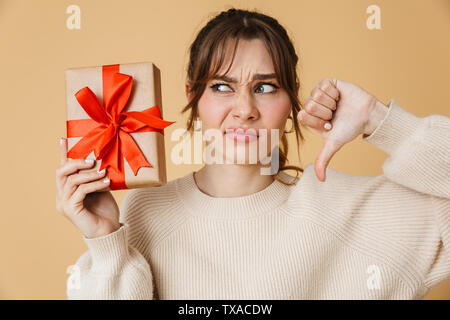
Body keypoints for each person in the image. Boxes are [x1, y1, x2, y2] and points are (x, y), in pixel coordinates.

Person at [56, 8, 449, 299]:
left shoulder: (348, 209)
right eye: (223, 87)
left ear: (291, 99)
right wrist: (106, 242)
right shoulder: (146, 212)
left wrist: (380, 120)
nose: (244, 108)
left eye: (265, 87)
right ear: (194, 97)